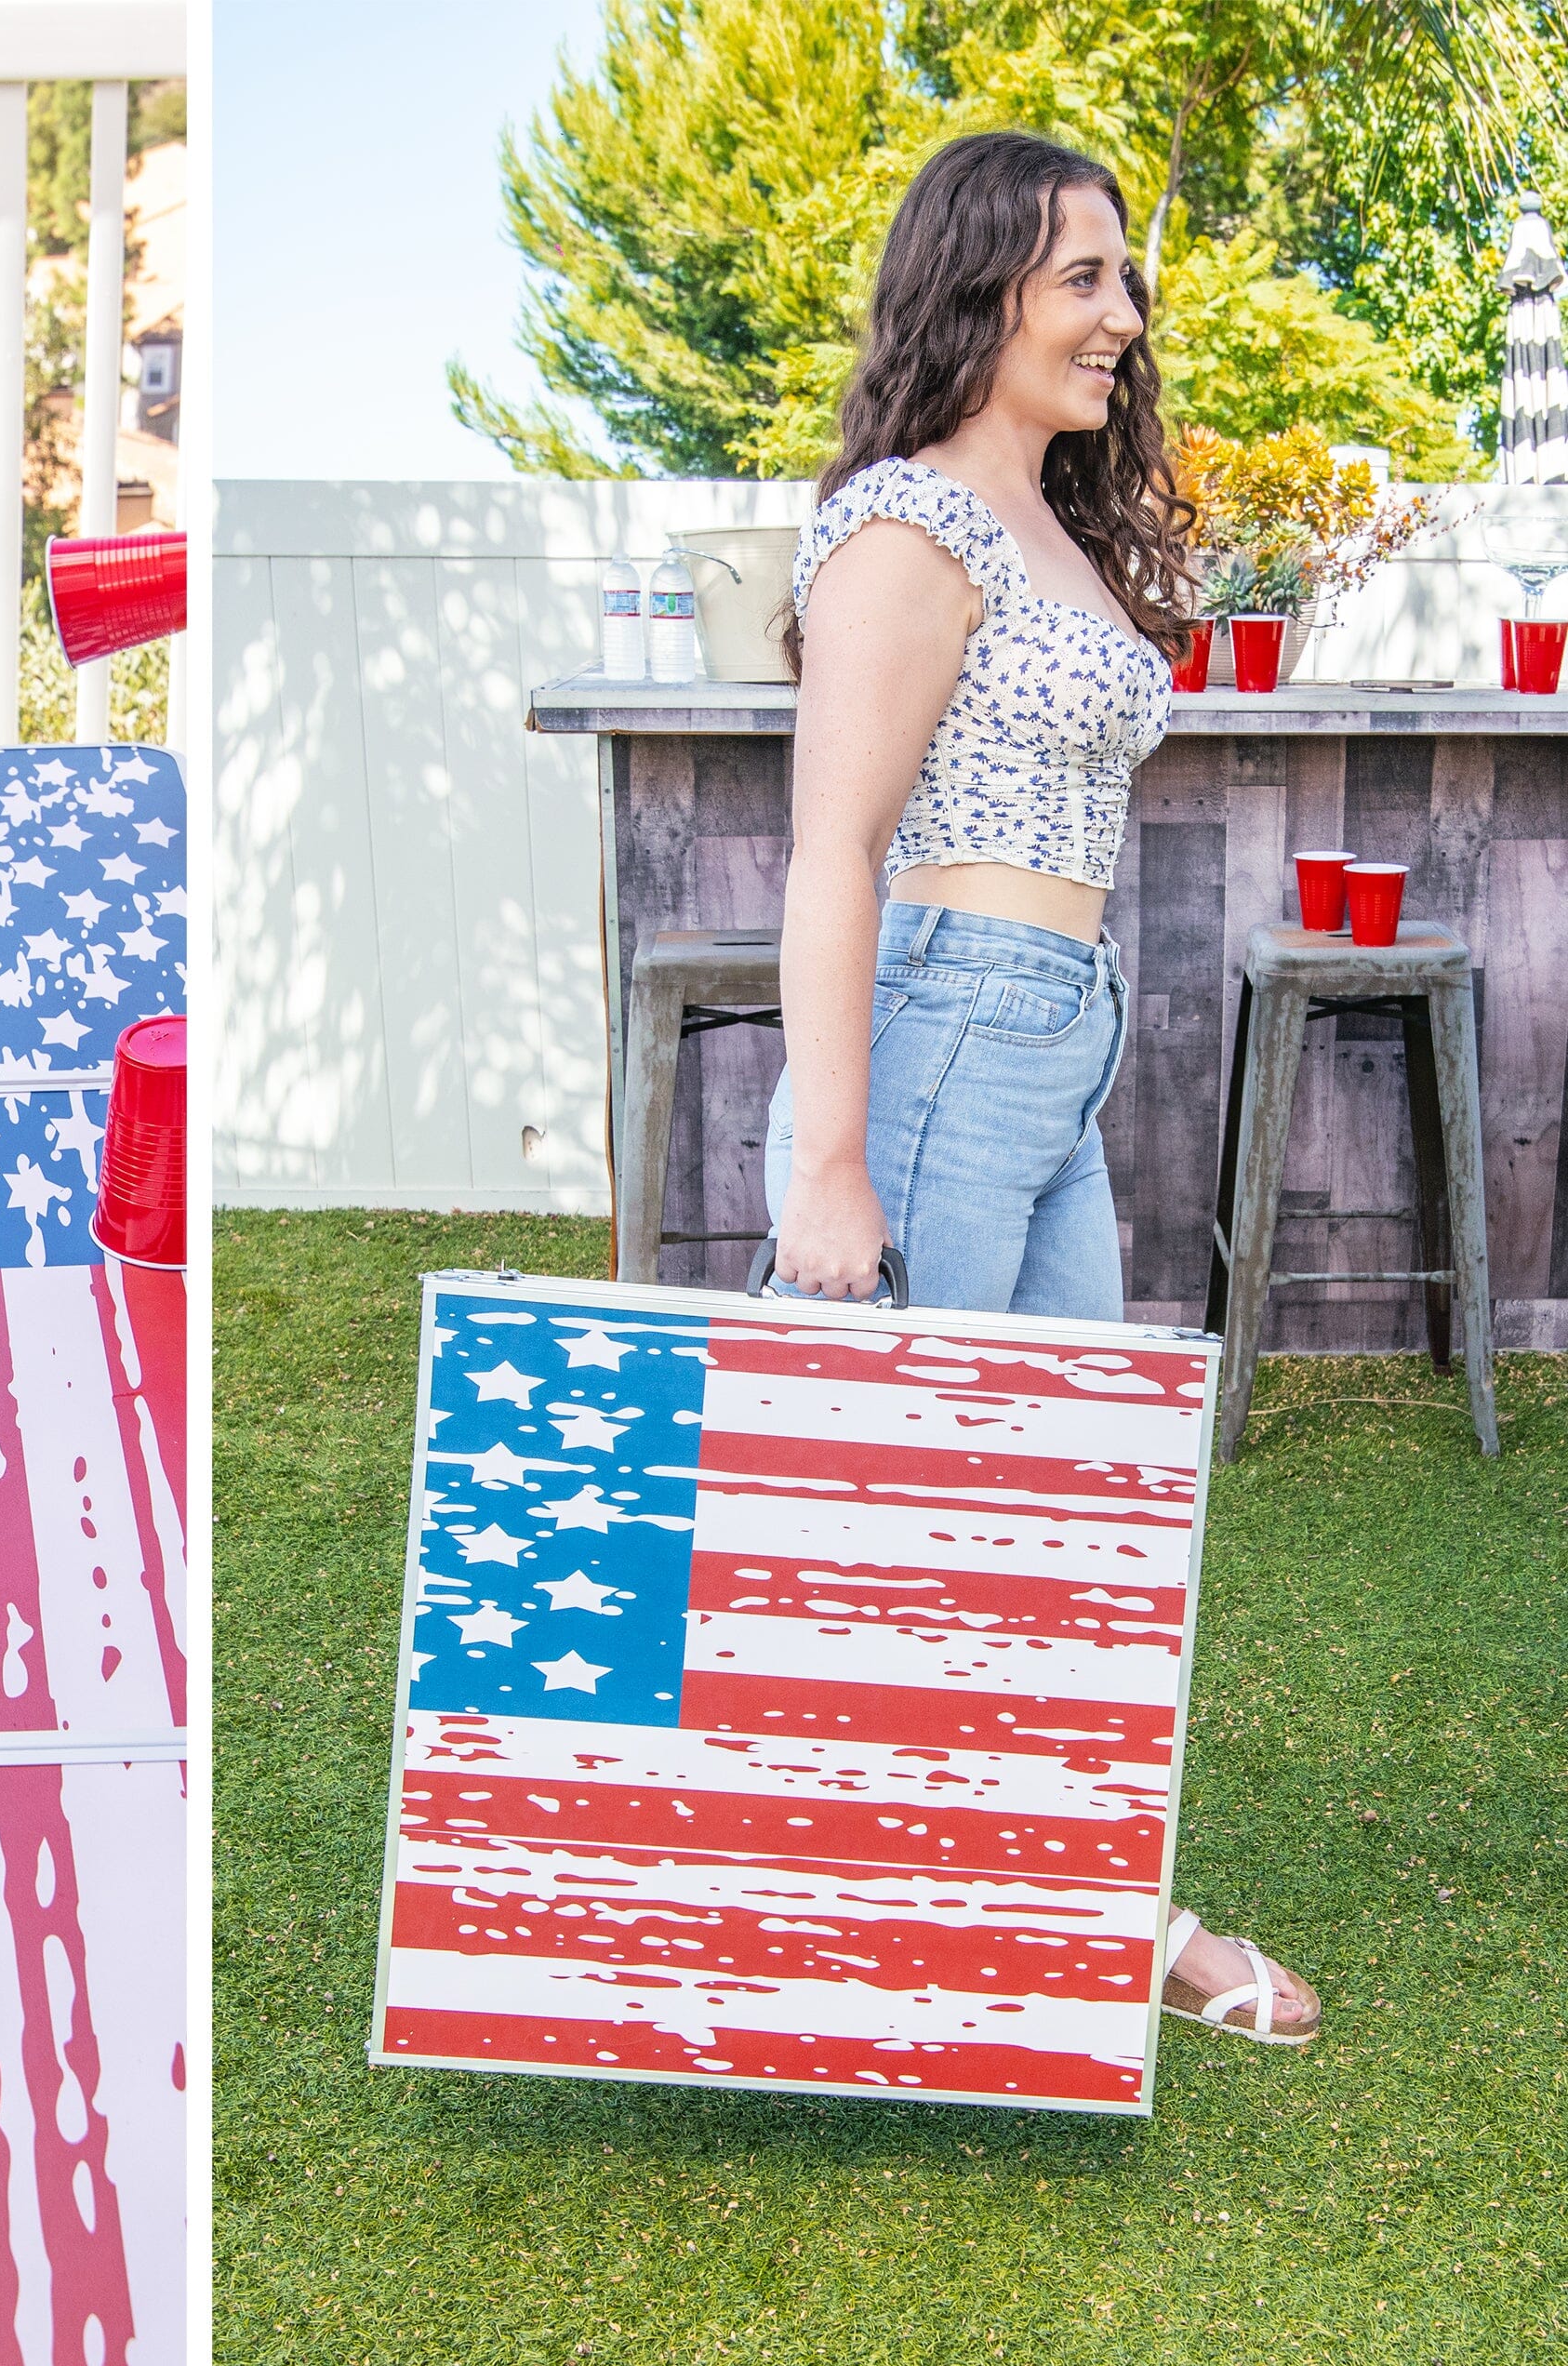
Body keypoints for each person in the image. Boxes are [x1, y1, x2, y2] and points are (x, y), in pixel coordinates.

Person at [765, 129, 1319, 2048]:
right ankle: (797, 1921)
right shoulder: (912, 528)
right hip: (951, 1035)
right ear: (979, 287)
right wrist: (829, 1165)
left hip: (1051, 1037)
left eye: (1125, 281)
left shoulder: (1049, 523)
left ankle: (1076, 1905)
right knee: (886, 1516)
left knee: (1067, 1511)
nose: (1121, 315)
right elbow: (832, 849)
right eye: (1080, 277)